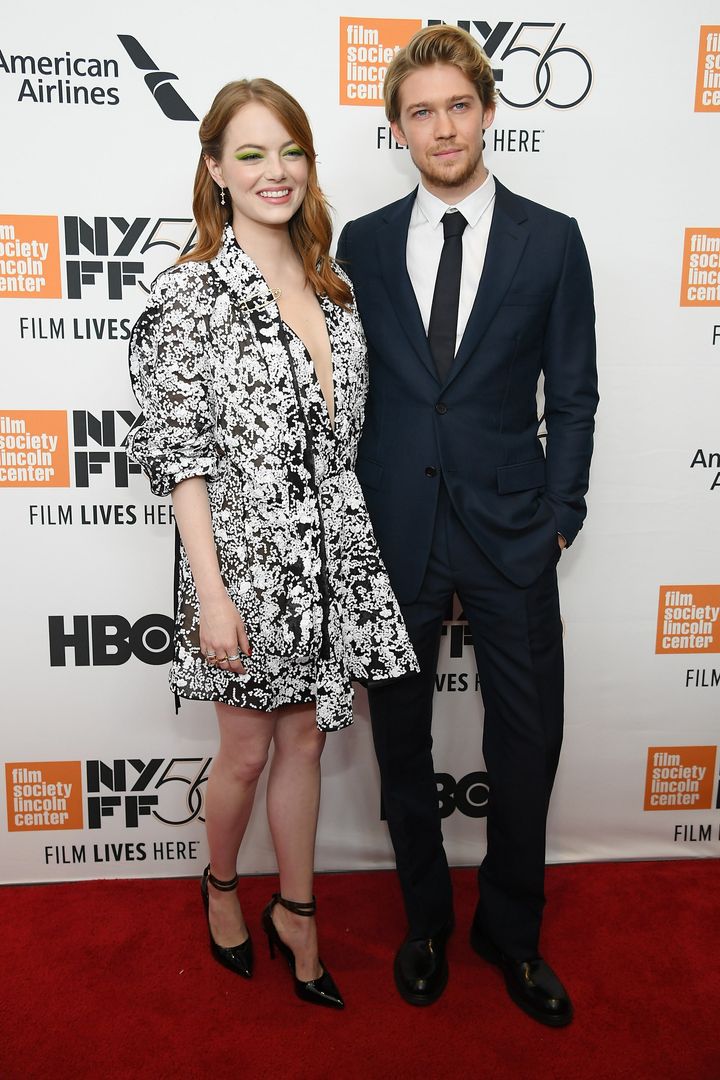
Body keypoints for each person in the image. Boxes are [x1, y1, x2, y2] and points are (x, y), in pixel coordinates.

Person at [127, 78, 418, 1010]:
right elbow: (182, 460)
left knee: (304, 743)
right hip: (242, 562)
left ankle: (298, 910)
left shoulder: (334, 284)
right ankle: (220, 887)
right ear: (214, 168)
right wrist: (211, 594)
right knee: (247, 751)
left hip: (333, 554)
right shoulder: (187, 295)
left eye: (290, 151)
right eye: (250, 153)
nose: (275, 171)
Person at [337, 25, 598, 1025]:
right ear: (397, 126)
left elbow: (572, 395)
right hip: (396, 527)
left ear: (487, 110)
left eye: (457, 105)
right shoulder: (359, 243)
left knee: (527, 741)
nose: (440, 127)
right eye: (419, 111)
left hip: (512, 528)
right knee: (401, 739)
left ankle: (512, 931)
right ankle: (424, 922)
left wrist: (561, 518)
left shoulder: (552, 237)